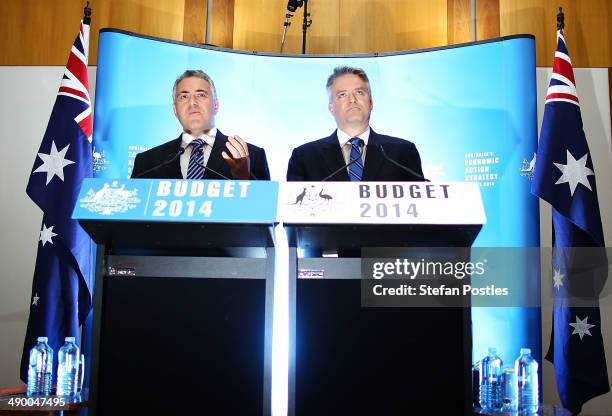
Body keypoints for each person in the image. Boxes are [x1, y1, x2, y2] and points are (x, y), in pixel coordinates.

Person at [286, 66, 424, 181]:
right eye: (342, 95)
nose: (352, 99)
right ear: (331, 108)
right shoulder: (304, 157)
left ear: (371, 103)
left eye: (359, 92)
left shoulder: (403, 152)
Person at [132, 69, 270, 180]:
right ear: (175, 110)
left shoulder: (252, 156)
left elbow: (263, 211)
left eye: (201, 95)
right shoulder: (147, 163)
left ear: (216, 105)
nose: (192, 103)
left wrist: (243, 178)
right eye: (184, 96)